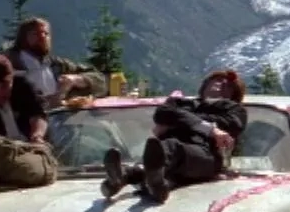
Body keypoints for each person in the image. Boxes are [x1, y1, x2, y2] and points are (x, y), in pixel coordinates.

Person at [101, 69, 247, 201]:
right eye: (217, 79)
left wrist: (180, 119)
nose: (221, 83)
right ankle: (150, 183)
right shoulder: (180, 102)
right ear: (206, 84)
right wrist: (207, 127)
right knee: (164, 152)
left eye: (228, 85)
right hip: (169, 156)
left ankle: (132, 176)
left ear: (233, 95)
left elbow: (231, 125)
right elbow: (162, 113)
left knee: (170, 147)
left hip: (205, 155)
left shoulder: (235, 110)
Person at [5, 16, 102, 107]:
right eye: (35, 33)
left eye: (46, 34)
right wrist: (58, 96)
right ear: (23, 39)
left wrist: (76, 80)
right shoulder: (9, 66)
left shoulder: (57, 64)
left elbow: (100, 80)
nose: (42, 37)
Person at [0, 53, 47, 143]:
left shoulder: (23, 87)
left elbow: (38, 113)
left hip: (29, 147)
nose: (0, 92)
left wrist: (37, 135)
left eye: (5, 86)